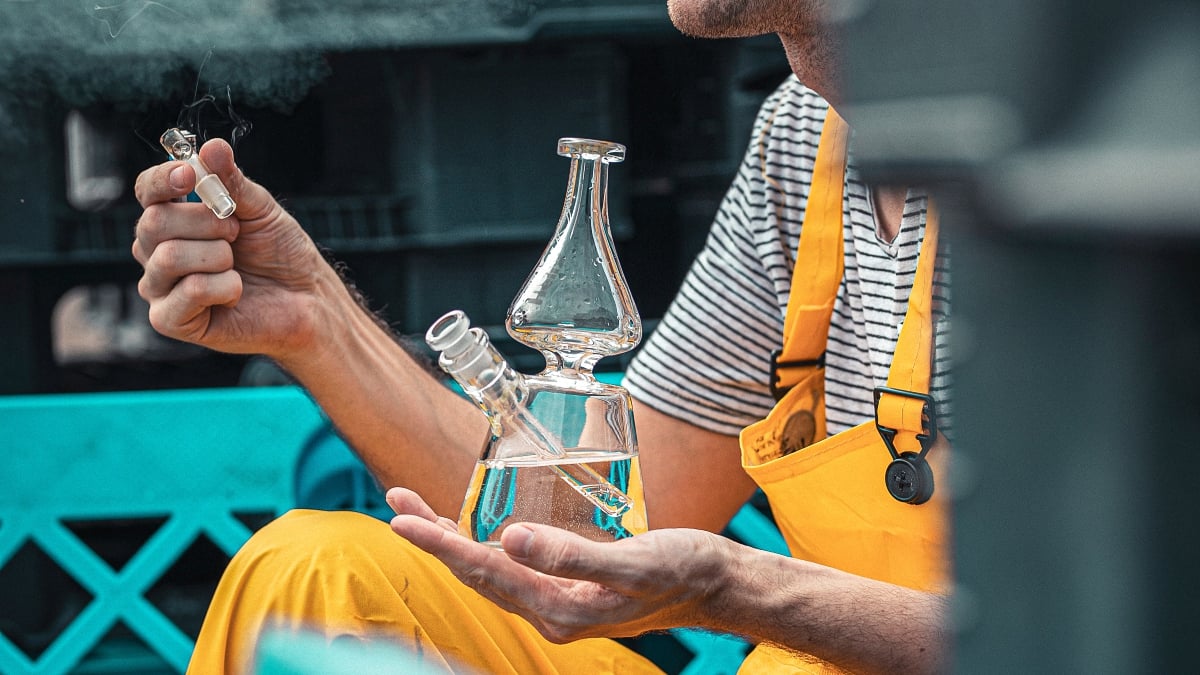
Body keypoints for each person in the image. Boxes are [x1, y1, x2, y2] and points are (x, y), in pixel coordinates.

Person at [132, 1, 953, 673]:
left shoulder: (1065, 173)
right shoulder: (804, 136)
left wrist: (735, 583)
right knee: (316, 574)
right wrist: (312, 316)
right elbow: (601, 515)